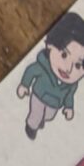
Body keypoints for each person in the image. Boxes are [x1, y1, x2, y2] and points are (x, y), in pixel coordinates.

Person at [17, 10, 84, 140]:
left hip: (55, 104)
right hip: (38, 96)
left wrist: (68, 107)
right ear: (50, 46)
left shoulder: (72, 85)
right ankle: (31, 127)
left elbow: (69, 96)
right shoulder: (43, 66)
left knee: (49, 116)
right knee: (35, 116)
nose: (68, 69)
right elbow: (31, 71)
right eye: (64, 55)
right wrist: (24, 85)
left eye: (78, 65)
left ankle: (41, 120)